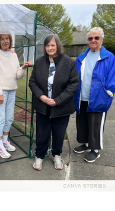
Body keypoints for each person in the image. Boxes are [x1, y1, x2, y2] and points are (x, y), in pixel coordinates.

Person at [29, 34, 79, 170]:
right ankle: (39, 156)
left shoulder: (68, 62)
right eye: (47, 45)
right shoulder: (39, 62)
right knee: (42, 133)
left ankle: (57, 155)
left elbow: (73, 84)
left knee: (59, 133)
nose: (50, 48)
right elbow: (32, 82)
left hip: (61, 107)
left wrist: (58, 100)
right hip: (42, 106)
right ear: (45, 47)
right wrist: (41, 96)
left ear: (57, 46)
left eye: (52, 45)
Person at [73, 27, 115, 163]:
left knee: (95, 124)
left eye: (96, 38)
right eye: (90, 38)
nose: (93, 40)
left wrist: (108, 92)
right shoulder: (81, 57)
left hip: (98, 97)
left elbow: (113, 77)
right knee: (83, 123)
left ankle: (95, 150)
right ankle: (86, 144)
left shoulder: (109, 57)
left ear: (101, 39)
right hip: (82, 97)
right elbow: (74, 76)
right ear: (88, 40)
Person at [0, 33, 33, 159]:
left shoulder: (13, 55)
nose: (5, 41)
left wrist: (23, 67)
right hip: (1, 91)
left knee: (9, 117)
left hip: (12, 90)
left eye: (7, 38)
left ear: (10, 40)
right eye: (2, 39)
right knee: (0, 118)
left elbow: (17, 75)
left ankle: (5, 141)